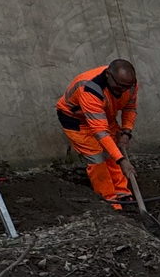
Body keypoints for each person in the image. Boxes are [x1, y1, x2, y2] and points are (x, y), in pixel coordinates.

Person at [55, 59, 139, 210]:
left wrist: (126, 132)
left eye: (126, 87)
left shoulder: (129, 85)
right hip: (77, 120)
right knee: (97, 157)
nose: (122, 91)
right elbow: (100, 132)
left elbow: (130, 109)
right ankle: (111, 200)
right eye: (119, 87)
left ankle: (122, 193)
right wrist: (122, 161)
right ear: (108, 75)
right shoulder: (90, 89)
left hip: (104, 115)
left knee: (111, 152)